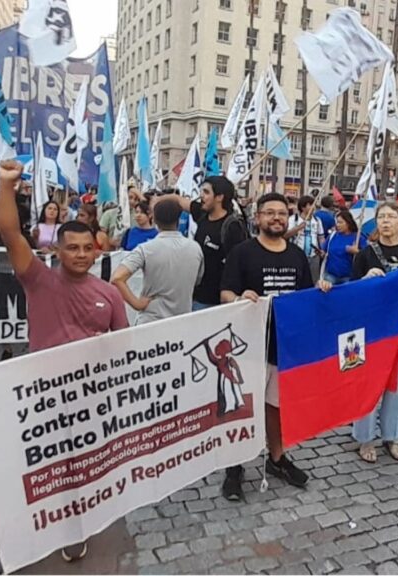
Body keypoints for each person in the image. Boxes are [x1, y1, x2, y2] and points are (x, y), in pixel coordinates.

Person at [0, 159, 128, 562]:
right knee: (42, 463)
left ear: (98, 249)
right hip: (43, 393)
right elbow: (8, 231)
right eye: (72, 247)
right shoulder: (38, 278)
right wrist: (6, 186)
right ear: (56, 250)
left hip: (90, 395)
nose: (81, 254)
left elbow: (124, 347)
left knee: (82, 464)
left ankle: (76, 525)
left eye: (88, 248)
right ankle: (29, 527)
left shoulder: (111, 293)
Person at [219, 193, 313, 501]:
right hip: (247, 346)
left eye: (282, 213)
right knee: (241, 407)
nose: (276, 218)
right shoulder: (242, 253)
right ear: (257, 218)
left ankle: (277, 458)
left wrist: (324, 291)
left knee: (276, 407)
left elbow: (307, 299)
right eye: (269, 213)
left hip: (283, 347)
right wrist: (238, 299)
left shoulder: (298, 256)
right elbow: (225, 294)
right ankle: (234, 468)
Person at [320, 201, 398, 463]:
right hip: (373, 327)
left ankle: (392, 436)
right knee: (367, 383)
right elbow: (353, 291)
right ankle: (364, 438)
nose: (386, 221)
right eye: (381, 217)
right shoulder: (366, 254)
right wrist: (367, 280)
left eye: (391, 217)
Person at [111, 198, 203, 325]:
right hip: (182, 321)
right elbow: (198, 280)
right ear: (178, 219)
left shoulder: (145, 249)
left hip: (151, 321)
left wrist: (137, 304)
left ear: (153, 219)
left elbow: (117, 278)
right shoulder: (195, 248)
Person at [174, 176, 249, 311]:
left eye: (206, 192)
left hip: (215, 303)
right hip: (194, 296)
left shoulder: (232, 227)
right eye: (202, 191)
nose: (201, 196)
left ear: (219, 197)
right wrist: (154, 200)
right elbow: (179, 201)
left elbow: (240, 264)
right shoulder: (202, 214)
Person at [320, 209, 366, 285]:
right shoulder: (332, 236)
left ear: (348, 223)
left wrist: (356, 251)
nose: (338, 225)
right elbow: (325, 250)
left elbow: (366, 256)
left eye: (340, 222)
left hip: (349, 277)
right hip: (330, 275)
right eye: (337, 222)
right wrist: (322, 253)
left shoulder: (358, 237)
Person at [286, 195, 324, 283]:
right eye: (310, 205)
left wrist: (322, 249)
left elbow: (321, 238)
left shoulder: (317, 220)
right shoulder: (293, 219)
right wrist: (297, 228)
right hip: (297, 255)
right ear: (303, 207)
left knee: (314, 280)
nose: (313, 207)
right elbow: (285, 236)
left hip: (314, 256)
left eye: (314, 204)